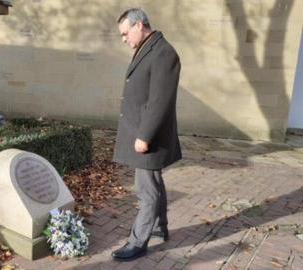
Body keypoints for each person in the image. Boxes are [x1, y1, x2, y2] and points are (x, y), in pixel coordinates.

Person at [111, 8, 182, 262]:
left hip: (148, 137)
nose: (123, 39)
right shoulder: (147, 48)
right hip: (143, 133)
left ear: (139, 25)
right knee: (154, 183)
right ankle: (160, 228)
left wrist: (145, 136)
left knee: (146, 190)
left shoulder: (164, 53)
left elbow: (160, 101)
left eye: (124, 33)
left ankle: (137, 241)